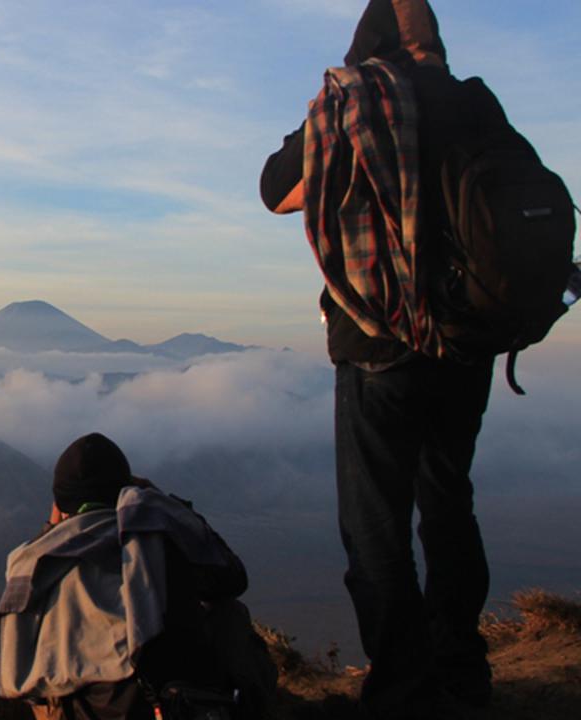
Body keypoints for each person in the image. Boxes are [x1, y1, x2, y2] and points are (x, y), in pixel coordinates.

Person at [260, 2, 503, 717]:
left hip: (378, 346)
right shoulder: (472, 100)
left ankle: (403, 689)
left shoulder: (352, 100)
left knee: (375, 529)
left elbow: (277, 191)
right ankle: (462, 667)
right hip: (467, 342)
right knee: (449, 502)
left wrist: (322, 124)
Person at [0, 433, 275, 720]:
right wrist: (165, 505)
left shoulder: (30, 562)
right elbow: (233, 579)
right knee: (230, 612)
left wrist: (50, 529)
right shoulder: (156, 541)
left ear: (59, 505)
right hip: (161, 705)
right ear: (125, 489)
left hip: (70, 711)